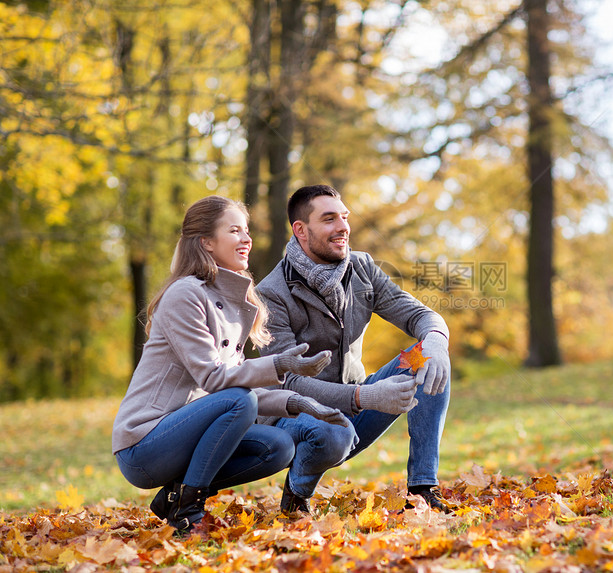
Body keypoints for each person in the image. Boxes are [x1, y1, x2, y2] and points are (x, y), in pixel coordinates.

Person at [112, 195, 348, 534]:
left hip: (185, 436)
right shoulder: (185, 294)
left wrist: (300, 404)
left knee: (279, 447)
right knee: (240, 401)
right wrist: (280, 364)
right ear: (206, 242)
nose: (247, 239)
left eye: (247, 230)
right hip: (144, 443)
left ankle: (176, 496)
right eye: (235, 230)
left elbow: (239, 387)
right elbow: (215, 380)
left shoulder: (230, 299)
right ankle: (187, 510)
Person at [255, 184, 452, 514]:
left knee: (425, 355)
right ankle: (296, 494)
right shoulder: (270, 294)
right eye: (329, 219)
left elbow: (419, 314)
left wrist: (435, 339)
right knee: (329, 431)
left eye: (344, 217)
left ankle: (422, 489)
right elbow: (288, 383)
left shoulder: (362, 268)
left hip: (357, 406)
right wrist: (366, 397)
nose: (343, 226)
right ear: (301, 230)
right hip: (297, 420)